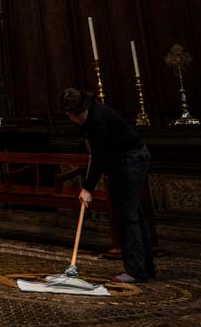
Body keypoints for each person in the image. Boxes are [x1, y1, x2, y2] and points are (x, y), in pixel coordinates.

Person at [65, 86, 156, 283]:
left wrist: (88, 188)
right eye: (72, 116)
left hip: (131, 160)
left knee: (128, 215)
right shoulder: (87, 118)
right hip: (122, 162)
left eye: (78, 115)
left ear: (85, 108)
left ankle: (136, 271)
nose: (76, 120)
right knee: (133, 215)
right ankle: (146, 267)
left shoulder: (98, 118)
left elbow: (99, 156)